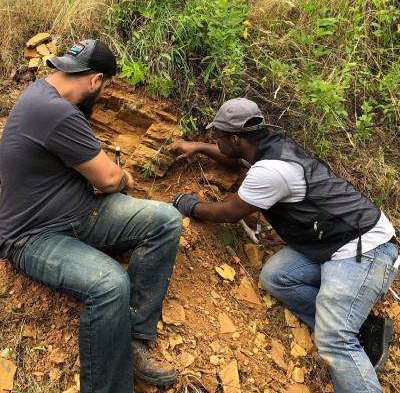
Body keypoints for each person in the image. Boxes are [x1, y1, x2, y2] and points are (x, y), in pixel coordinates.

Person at [169, 98, 398, 393]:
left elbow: (227, 212)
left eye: (218, 137)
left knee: (334, 340)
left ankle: (344, 333)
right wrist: (198, 147)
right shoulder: (271, 145)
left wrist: (190, 205)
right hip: (330, 243)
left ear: (236, 138)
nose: (215, 141)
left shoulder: (270, 172)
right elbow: (236, 159)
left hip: (363, 248)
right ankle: (361, 328)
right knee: (277, 276)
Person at [0, 39, 182, 393]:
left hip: (81, 212)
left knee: (166, 219)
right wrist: (125, 176)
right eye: (106, 86)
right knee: (111, 284)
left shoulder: (42, 93)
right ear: (97, 80)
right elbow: (111, 179)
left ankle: (132, 337)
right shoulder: (57, 112)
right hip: (34, 237)